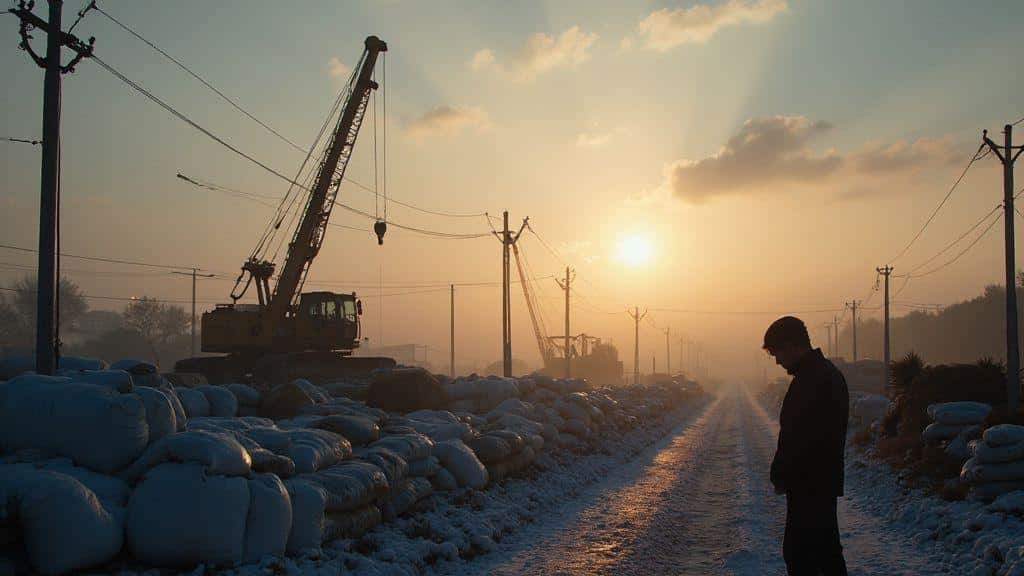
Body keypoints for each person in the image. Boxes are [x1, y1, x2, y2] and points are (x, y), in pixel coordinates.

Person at [764, 316, 849, 576]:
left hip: (811, 485)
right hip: (815, 484)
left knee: (805, 557)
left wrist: (783, 471)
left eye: (777, 352)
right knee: (824, 555)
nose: (777, 361)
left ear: (792, 345)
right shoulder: (820, 375)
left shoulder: (814, 380)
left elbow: (804, 439)